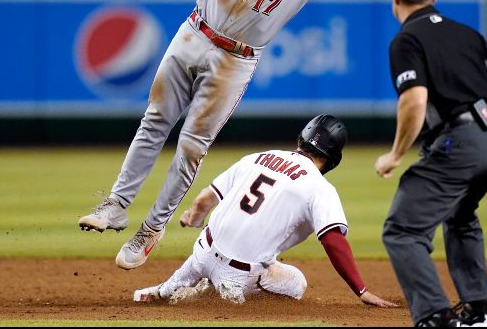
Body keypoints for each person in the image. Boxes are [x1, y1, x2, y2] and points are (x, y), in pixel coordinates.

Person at [79, 0, 459, 272]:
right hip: (194, 32)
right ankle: (116, 206)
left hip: (236, 58)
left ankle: (151, 229)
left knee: (192, 147)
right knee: (154, 121)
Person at [374, 0, 487, 327]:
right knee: (461, 215)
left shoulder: (406, 39)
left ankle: (435, 317)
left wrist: (395, 154)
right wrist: (483, 132)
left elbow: (414, 101)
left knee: (403, 230)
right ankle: (477, 312)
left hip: (463, 139)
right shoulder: (468, 33)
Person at [131, 115, 397, 308]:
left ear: (300, 139)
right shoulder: (320, 187)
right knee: (297, 284)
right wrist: (361, 290)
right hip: (239, 275)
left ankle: (170, 287)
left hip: (202, 250)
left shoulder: (258, 157)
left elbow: (203, 201)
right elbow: (332, 240)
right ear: (333, 159)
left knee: (197, 263)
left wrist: (193, 218)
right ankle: (224, 293)